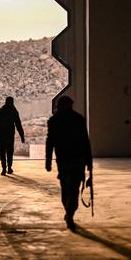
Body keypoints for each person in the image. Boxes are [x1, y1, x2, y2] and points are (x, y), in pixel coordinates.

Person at [45, 96, 93, 232]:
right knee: (71, 191)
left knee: (68, 190)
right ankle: (70, 214)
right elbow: (85, 142)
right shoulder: (77, 119)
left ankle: (69, 215)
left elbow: (50, 142)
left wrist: (48, 161)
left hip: (68, 160)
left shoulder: (55, 120)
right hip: (73, 160)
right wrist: (89, 163)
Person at [0, 96, 25, 176]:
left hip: (1, 135)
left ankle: (4, 169)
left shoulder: (0, 111)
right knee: (9, 152)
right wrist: (22, 136)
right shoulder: (14, 111)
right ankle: (9, 168)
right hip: (10, 135)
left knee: (2, 152)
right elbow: (18, 124)